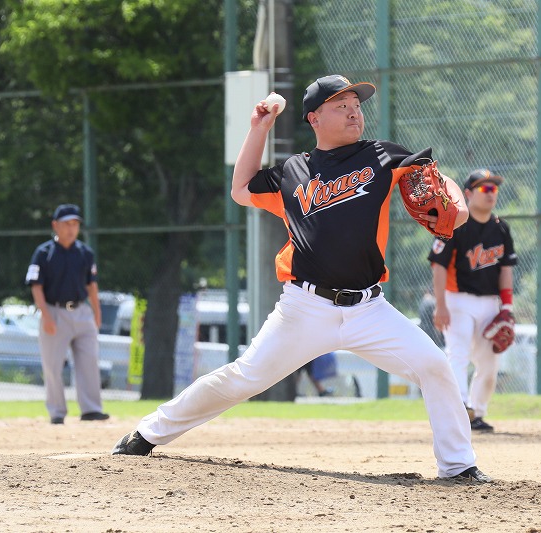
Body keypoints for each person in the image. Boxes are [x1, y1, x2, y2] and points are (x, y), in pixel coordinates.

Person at [112, 74, 491, 483]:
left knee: (434, 365)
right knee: (243, 378)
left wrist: (456, 204)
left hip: (369, 309)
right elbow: (241, 189)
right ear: (314, 118)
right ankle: (148, 433)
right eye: (341, 106)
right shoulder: (293, 172)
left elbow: (434, 176)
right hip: (304, 308)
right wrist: (259, 129)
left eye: (356, 105)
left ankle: (458, 466)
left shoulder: (382, 155)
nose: (353, 112)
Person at [428, 169, 518, 433]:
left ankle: (476, 413)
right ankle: (460, 409)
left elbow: (506, 270)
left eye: (494, 189)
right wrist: (441, 304)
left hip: (490, 303)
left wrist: (507, 307)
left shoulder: (501, 228)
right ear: (468, 193)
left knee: (489, 365)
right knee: (458, 354)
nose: (490, 194)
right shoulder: (454, 224)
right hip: (458, 301)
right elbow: (439, 266)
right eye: (484, 188)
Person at [25, 204, 109, 425]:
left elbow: (92, 286)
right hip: (54, 311)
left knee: (89, 361)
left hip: (82, 312)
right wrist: (46, 316)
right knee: (53, 365)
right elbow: (36, 287)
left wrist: (97, 312)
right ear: (55, 225)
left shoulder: (85, 253)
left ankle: (91, 409)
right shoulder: (44, 253)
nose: (72, 228)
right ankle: (57, 412)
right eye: (67, 224)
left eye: (75, 224)